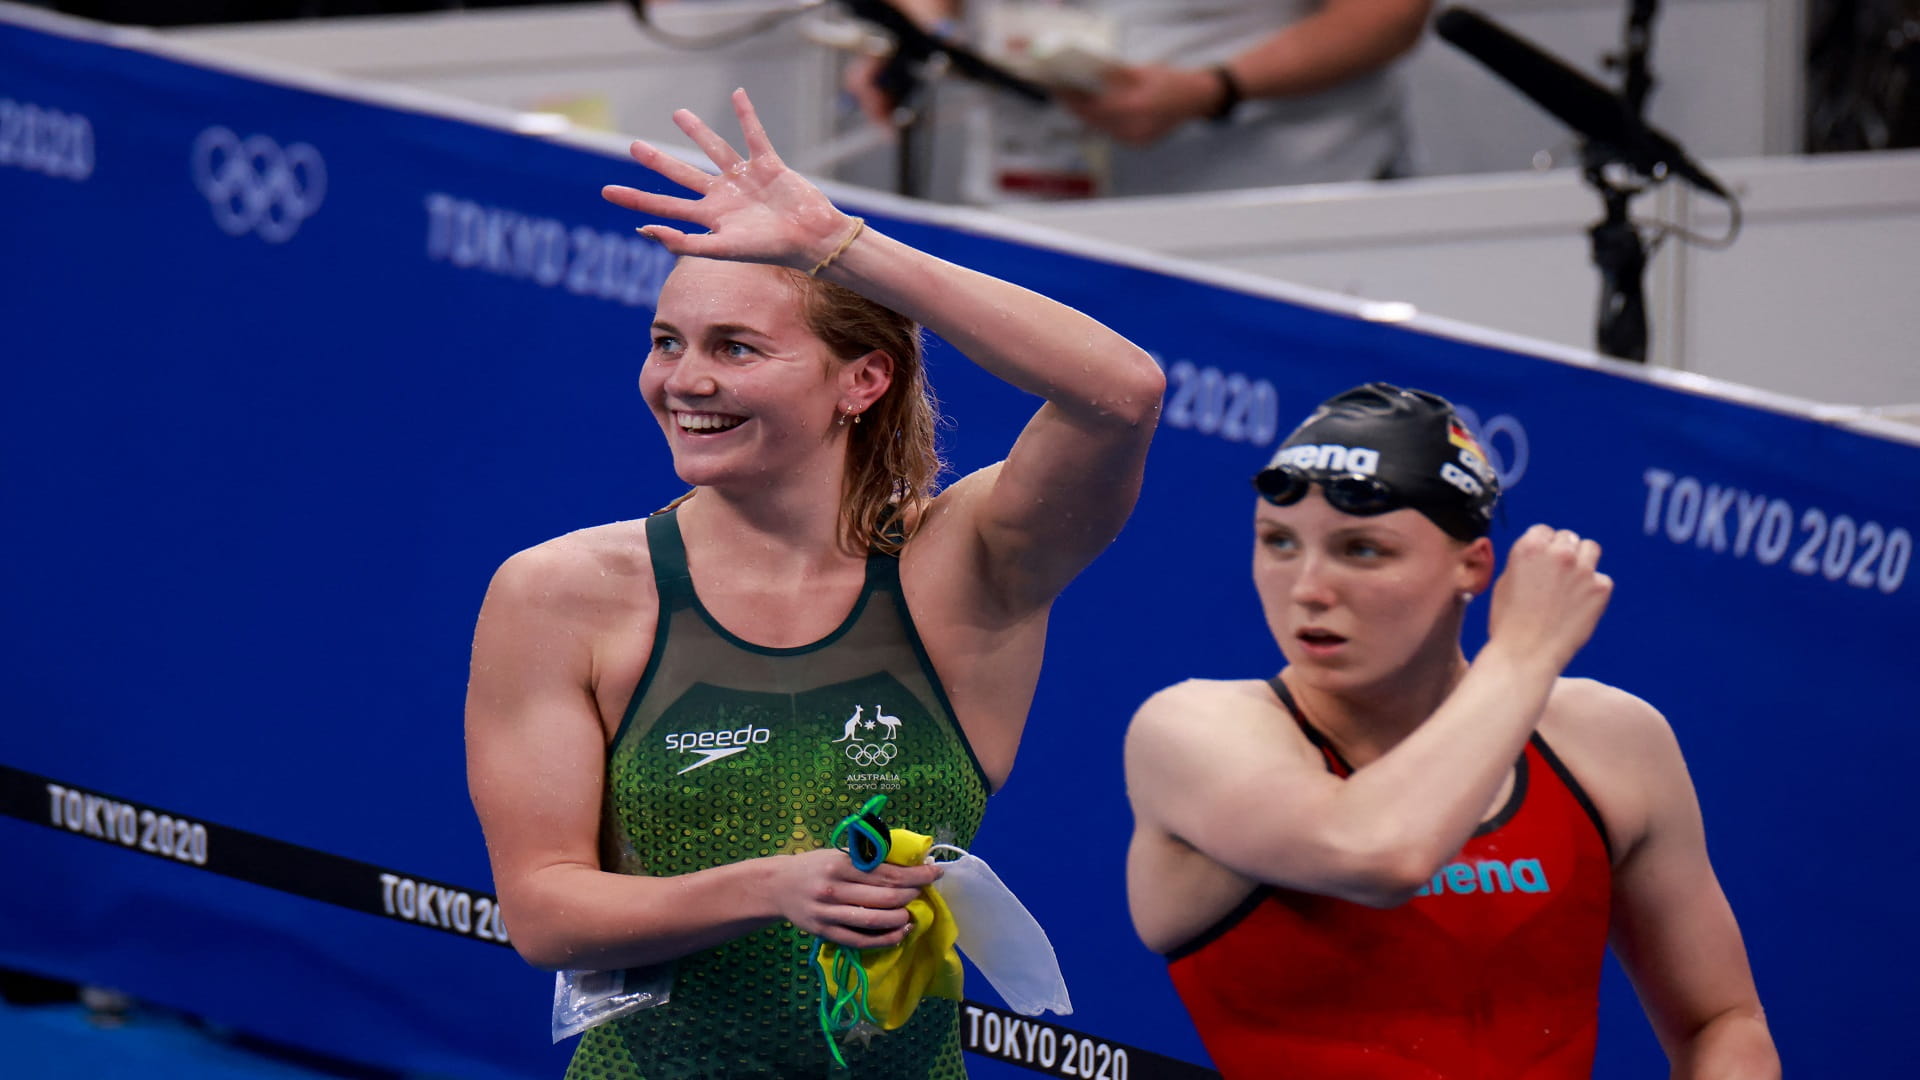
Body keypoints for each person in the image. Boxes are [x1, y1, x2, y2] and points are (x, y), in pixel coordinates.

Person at [464, 88, 1163, 1079]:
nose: (683, 381)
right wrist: (770, 887)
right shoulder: (563, 593)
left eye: (734, 348)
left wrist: (840, 242)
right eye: (668, 342)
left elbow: (1119, 393)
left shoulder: (962, 570)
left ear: (862, 382)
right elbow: (545, 913)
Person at [1123, 384, 1779, 1077]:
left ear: (1473, 566)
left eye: (1362, 549)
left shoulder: (1609, 742)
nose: (1309, 587)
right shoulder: (1195, 732)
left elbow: (1722, 1022)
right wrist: (1525, 653)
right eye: (1278, 542)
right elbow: (1383, 853)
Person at [845, 0, 1431, 198]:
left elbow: (1387, 15)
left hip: (1269, 198)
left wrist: (1212, 90)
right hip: (1032, 192)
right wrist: (924, 33)